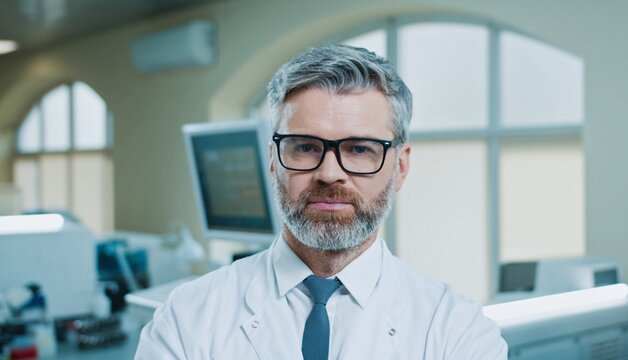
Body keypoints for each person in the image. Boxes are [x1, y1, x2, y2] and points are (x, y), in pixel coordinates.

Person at [135, 44, 507, 359]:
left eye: (360, 149)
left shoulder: (458, 332)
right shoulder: (186, 319)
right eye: (306, 147)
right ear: (271, 160)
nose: (330, 173)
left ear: (401, 166)